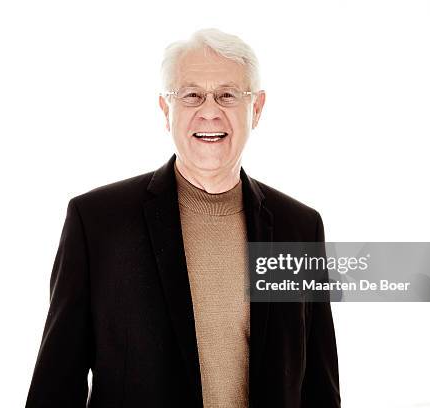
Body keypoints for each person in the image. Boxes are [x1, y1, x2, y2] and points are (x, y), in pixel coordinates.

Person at [26, 28, 340, 408]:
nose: (209, 111)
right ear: (166, 110)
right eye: (191, 95)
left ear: (255, 109)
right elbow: (56, 385)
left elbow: (319, 389)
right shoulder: (97, 223)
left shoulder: (299, 229)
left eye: (227, 95)